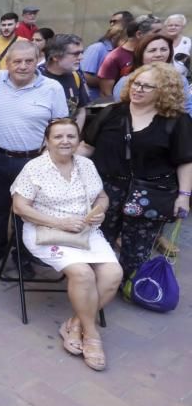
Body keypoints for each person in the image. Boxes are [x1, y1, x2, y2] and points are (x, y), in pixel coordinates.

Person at [11, 119, 122, 371]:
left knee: (113, 274)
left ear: (78, 140)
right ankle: (92, 337)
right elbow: (19, 208)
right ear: (47, 141)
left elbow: (101, 197)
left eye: (70, 136)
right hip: (46, 231)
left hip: (86, 231)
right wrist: (59, 222)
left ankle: (75, 324)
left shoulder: (86, 164)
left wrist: (100, 211)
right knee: (82, 273)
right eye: (58, 136)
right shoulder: (35, 168)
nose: (65, 141)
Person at [80, 64, 192, 280]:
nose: (138, 89)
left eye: (147, 86)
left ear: (164, 90)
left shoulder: (177, 121)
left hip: (151, 194)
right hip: (106, 190)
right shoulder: (111, 112)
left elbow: (185, 161)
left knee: (137, 249)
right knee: (99, 240)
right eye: (136, 83)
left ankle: (129, 285)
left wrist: (184, 196)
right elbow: (87, 147)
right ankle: (98, 282)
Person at [0, 41, 69, 270]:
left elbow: (59, 126)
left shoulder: (52, 88)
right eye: (17, 61)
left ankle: (23, 255)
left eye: (29, 61)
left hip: (32, 161)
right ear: (7, 63)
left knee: (28, 212)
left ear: (37, 60)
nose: (22, 66)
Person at [112, 34, 192, 113]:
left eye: (163, 49)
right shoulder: (126, 82)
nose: (159, 55)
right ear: (140, 54)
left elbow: (188, 108)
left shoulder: (179, 79)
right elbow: (121, 113)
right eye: (152, 50)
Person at [97, 16, 162, 97]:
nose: (161, 36)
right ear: (139, 34)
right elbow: (106, 93)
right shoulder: (114, 57)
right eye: (156, 32)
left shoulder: (155, 54)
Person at [40, 34, 90, 131]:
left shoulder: (76, 76)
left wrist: (74, 136)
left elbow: (80, 110)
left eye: (81, 52)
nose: (81, 57)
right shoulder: (36, 79)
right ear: (56, 57)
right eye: (76, 54)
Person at [80, 24, 125, 100]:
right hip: (91, 101)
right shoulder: (97, 48)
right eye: (124, 40)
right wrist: (109, 82)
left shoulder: (119, 52)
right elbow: (83, 76)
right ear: (114, 38)